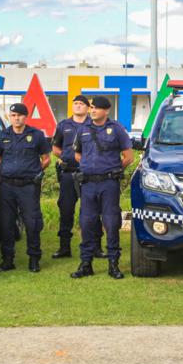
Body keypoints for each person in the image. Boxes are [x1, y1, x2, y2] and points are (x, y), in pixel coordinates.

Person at [70, 96, 134, 280]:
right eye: (92, 108)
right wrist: (91, 167)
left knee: (111, 223)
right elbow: (77, 155)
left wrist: (112, 170)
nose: (93, 111)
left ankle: (113, 264)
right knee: (87, 222)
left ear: (106, 111)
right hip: (88, 183)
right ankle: (86, 263)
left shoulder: (117, 129)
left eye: (97, 108)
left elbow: (128, 157)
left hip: (108, 183)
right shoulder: (83, 129)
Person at [0, 103, 51, 273]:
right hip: (7, 186)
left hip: (28, 186)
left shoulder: (36, 135)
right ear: (9, 117)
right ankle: (7, 260)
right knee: (6, 224)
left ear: (26, 117)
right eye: (13, 115)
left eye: (19, 115)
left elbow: (46, 158)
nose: (16, 118)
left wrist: (34, 172)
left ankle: (34, 259)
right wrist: (9, 169)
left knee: (32, 223)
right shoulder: (2, 135)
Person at [51, 95, 103, 259]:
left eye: (81, 104)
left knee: (92, 211)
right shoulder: (63, 125)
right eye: (76, 104)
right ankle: (64, 247)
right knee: (66, 210)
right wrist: (67, 157)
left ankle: (96, 247)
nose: (78, 106)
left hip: (89, 174)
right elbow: (55, 148)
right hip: (69, 173)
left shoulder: (94, 125)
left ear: (88, 108)